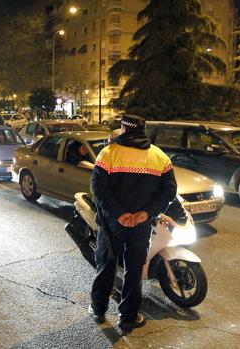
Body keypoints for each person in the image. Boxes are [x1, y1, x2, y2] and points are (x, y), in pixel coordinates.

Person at [89, 115, 177, 332]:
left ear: (124, 129)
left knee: (106, 264)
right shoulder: (160, 157)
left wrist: (119, 214)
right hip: (141, 225)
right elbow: (169, 191)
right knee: (134, 268)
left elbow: (98, 189)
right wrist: (147, 213)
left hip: (112, 224)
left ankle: (98, 309)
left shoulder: (108, 153)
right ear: (142, 130)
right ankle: (128, 316)